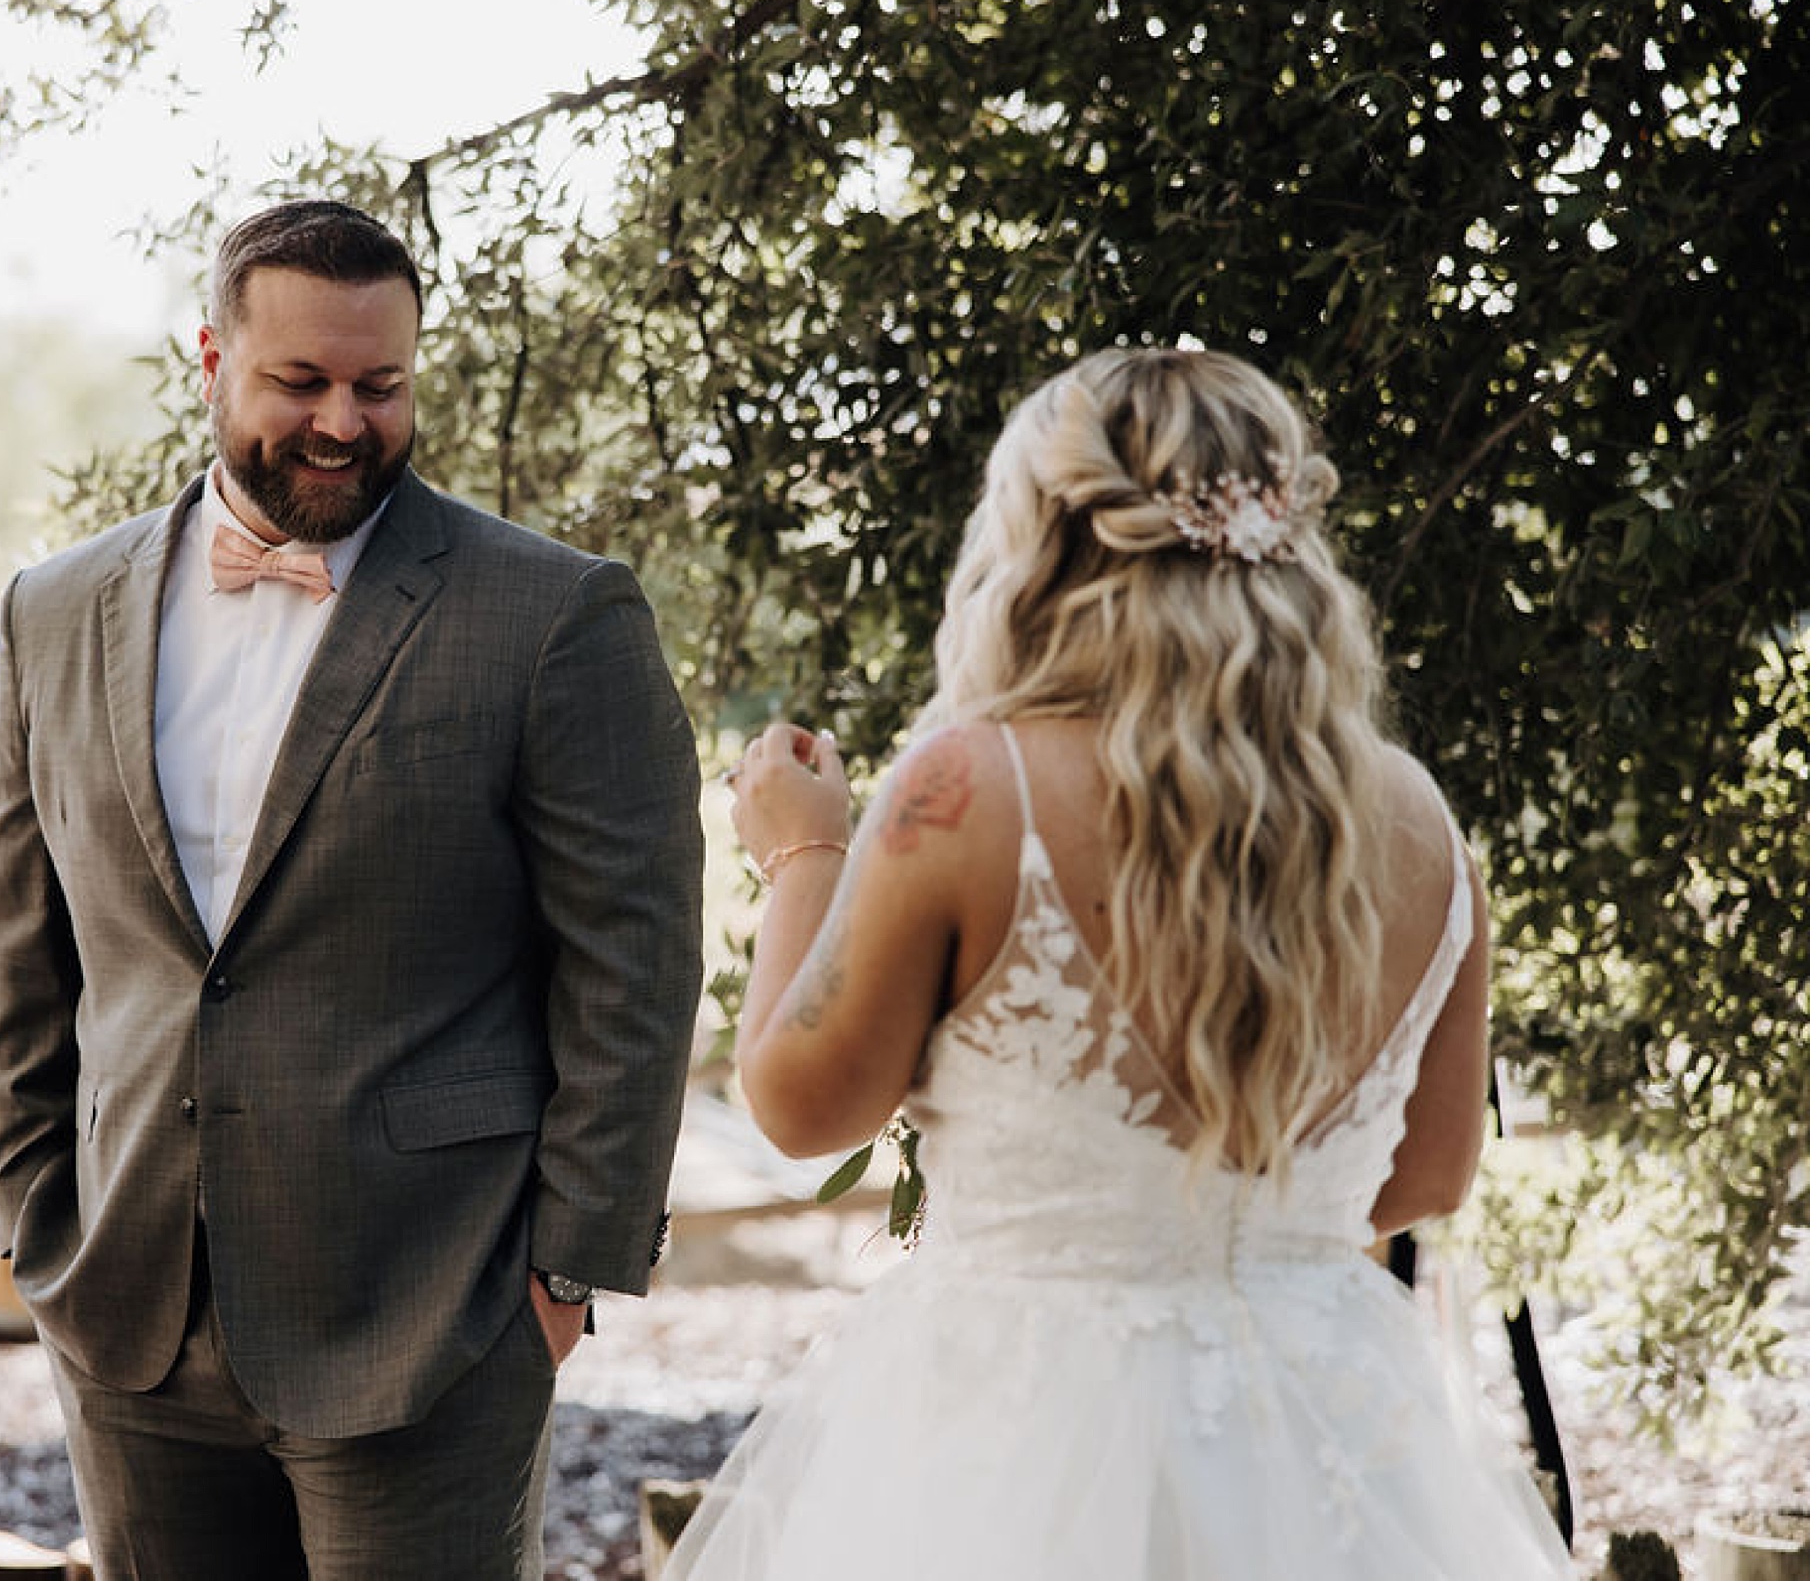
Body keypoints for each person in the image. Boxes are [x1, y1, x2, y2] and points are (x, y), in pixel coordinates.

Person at [667, 347, 1572, 1581]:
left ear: (1042, 539)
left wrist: (804, 851)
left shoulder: (969, 786)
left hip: (1020, 1419)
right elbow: (1428, 1172)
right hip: (1328, 1430)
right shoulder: (1417, 819)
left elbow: (799, 1103)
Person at [0, 197, 705, 1580]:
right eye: (299, 380)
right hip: (129, 1311)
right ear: (210, 358)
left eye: (383, 384)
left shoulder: (553, 615)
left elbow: (636, 960)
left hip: (432, 1314)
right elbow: (20, 947)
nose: (343, 421)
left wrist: (562, 1276)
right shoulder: (51, 611)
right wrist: (34, 1218)